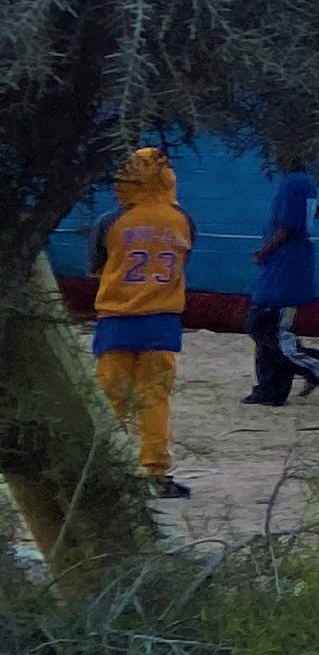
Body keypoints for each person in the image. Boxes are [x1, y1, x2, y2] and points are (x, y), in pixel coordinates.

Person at [87, 148, 194, 495]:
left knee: (111, 399)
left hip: (116, 320)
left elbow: (95, 267)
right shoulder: (183, 221)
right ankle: (155, 473)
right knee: (154, 398)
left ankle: (103, 470)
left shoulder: (110, 221)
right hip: (161, 322)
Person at [241, 143, 319, 407]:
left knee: (266, 325)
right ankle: (270, 389)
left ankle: (317, 365)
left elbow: (288, 226)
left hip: (285, 266)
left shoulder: (294, 184)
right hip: (283, 265)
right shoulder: (299, 183)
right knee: (265, 327)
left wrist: (265, 250)